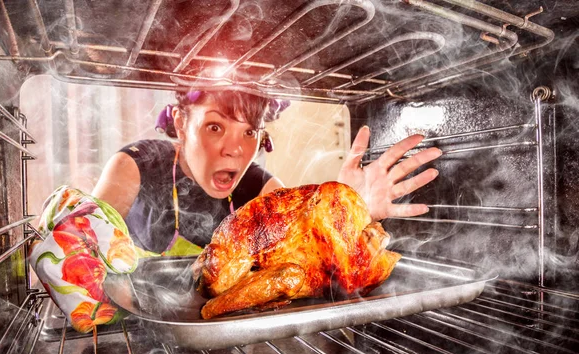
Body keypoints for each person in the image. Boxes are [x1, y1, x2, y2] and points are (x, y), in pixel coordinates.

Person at [91, 89, 441, 255]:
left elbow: (309, 252)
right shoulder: (136, 166)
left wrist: (352, 209)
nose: (236, 149)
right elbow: (82, 243)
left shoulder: (261, 189)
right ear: (181, 123)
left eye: (249, 132)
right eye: (215, 127)